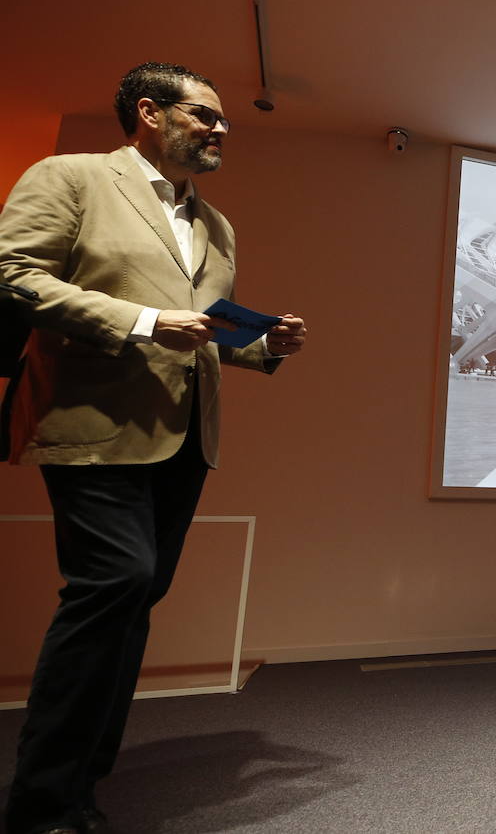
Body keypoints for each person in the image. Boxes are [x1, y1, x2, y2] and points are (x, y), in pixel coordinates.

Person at [0, 62, 307, 834]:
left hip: (182, 439)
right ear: (149, 112)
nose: (221, 129)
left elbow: (204, 332)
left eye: (223, 121)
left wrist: (263, 344)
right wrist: (141, 322)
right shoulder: (70, 177)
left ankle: (80, 790)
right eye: (205, 115)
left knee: (131, 606)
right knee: (113, 586)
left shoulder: (216, 223)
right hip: (92, 421)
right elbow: (10, 274)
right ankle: (40, 804)